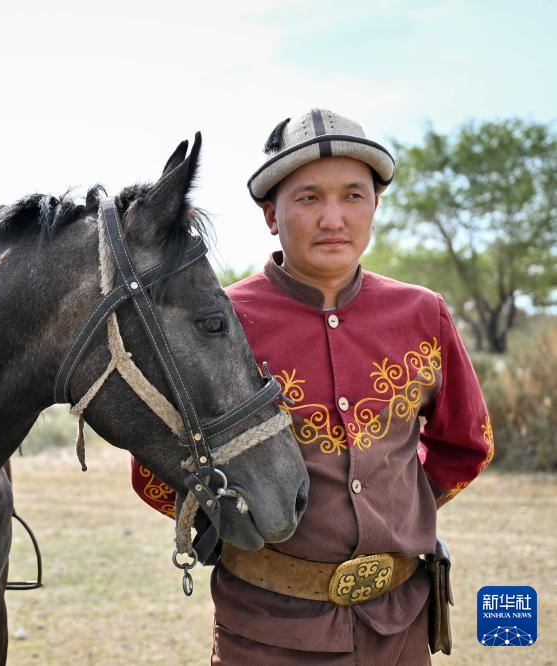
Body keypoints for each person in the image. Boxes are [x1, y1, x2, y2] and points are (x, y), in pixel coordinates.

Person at [131, 110, 493, 664]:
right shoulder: (220, 322)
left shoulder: (424, 313)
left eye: (353, 195)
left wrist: (401, 506)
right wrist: (238, 524)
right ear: (270, 215)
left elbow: (466, 444)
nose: (333, 218)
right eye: (307, 199)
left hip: (401, 627)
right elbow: (156, 473)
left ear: (376, 207)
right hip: (264, 631)